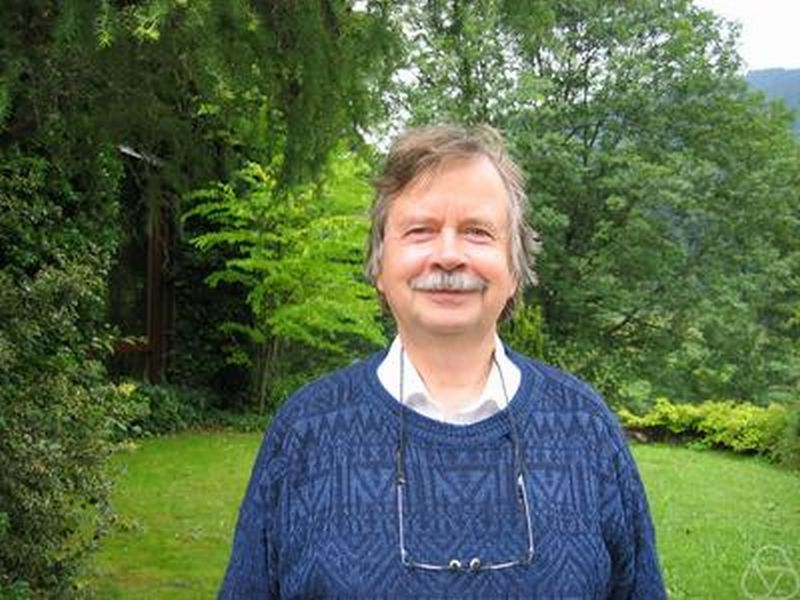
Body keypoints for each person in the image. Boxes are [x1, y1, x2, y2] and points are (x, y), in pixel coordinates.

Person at [219, 125, 667, 598]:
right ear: (380, 266)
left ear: (514, 268)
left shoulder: (586, 428)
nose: (449, 256)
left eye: (477, 232)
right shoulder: (305, 432)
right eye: (420, 231)